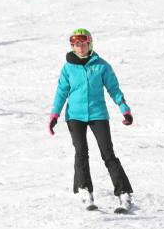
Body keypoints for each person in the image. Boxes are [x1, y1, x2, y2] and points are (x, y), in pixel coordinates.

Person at [48, 28, 134, 211]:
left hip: (98, 114)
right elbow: (61, 92)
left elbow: (114, 89)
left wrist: (124, 109)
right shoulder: (68, 68)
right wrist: (54, 115)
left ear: (90, 44)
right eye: (76, 45)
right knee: (81, 152)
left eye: (83, 44)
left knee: (108, 154)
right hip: (75, 116)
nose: (79, 48)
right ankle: (85, 191)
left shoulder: (101, 66)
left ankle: (124, 194)